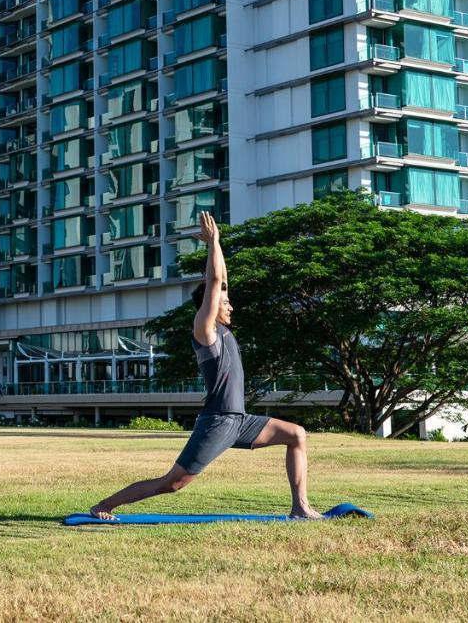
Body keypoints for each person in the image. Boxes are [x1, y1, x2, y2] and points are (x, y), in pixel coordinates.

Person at [89, 211, 323, 520]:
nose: (231, 305)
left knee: (297, 434)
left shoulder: (223, 329)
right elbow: (214, 282)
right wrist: (211, 242)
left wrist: (218, 243)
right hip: (217, 421)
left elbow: (221, 280)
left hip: (239, 420)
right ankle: (103, 505)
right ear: (210, 306)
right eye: (225, 303)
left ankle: (300, 507)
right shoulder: (205, 329)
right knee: (173, 483)